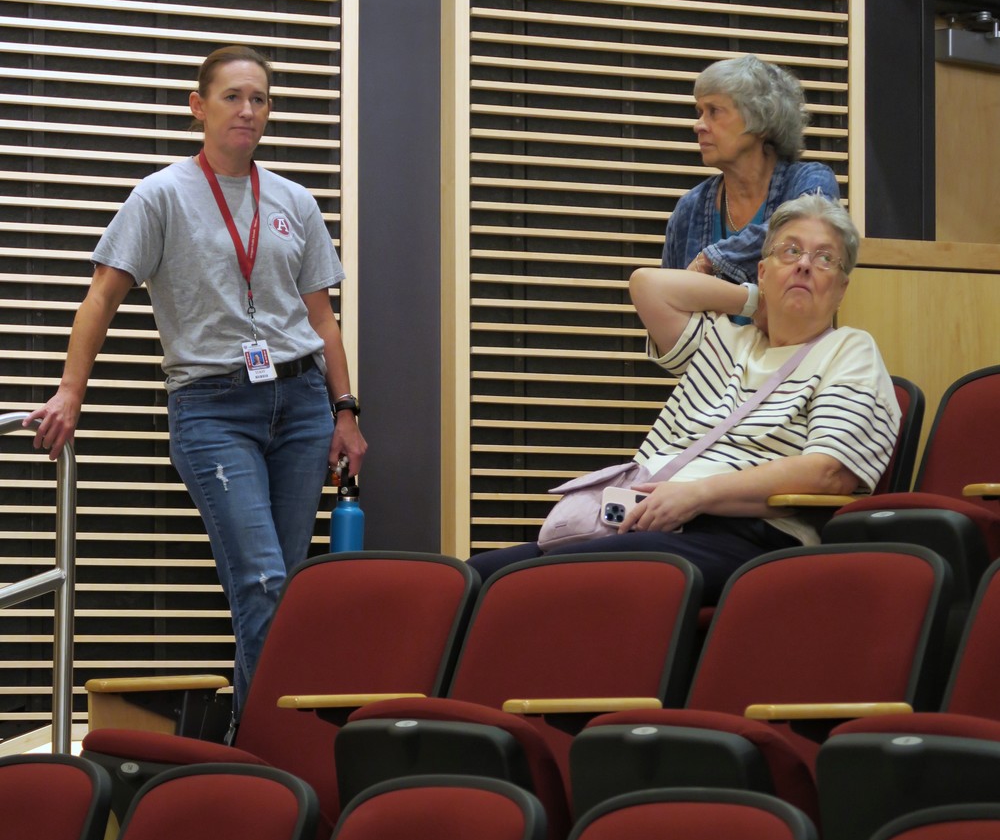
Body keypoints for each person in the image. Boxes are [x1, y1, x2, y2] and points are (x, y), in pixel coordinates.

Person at [26, 44, 366, 716]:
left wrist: (346, 411)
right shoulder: (161, 195)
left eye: (259, 99)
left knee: (285, 591)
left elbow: (322, 319)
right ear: (198, 106)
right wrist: (71, 390)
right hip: (215, 409)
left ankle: (252, 740)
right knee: (262, 581)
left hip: (302, 405)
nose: (247, 110)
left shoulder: (295, 201)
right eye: (232, 96)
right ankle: (273, 745)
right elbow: (101, 296)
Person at [469, 194, 900, 598]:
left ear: (841, 288)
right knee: (476, 577)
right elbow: (648, 286)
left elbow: (829, 472)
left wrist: (698, 495)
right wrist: (755, 300)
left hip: (752, 535)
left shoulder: (849, 350)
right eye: (790, 251)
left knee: (545, 584)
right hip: (648, 517)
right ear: (761, 271)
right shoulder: (724, 340)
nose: (804, 264)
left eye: (824, 258)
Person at [664, 54, 840, 286]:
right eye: (700, 113)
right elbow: (668, 295)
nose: (699, 125)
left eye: (714, 111)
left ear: (761, 120)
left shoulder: (810, 180)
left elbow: (800, 230)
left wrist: (710, 259)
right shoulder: (689, 208)